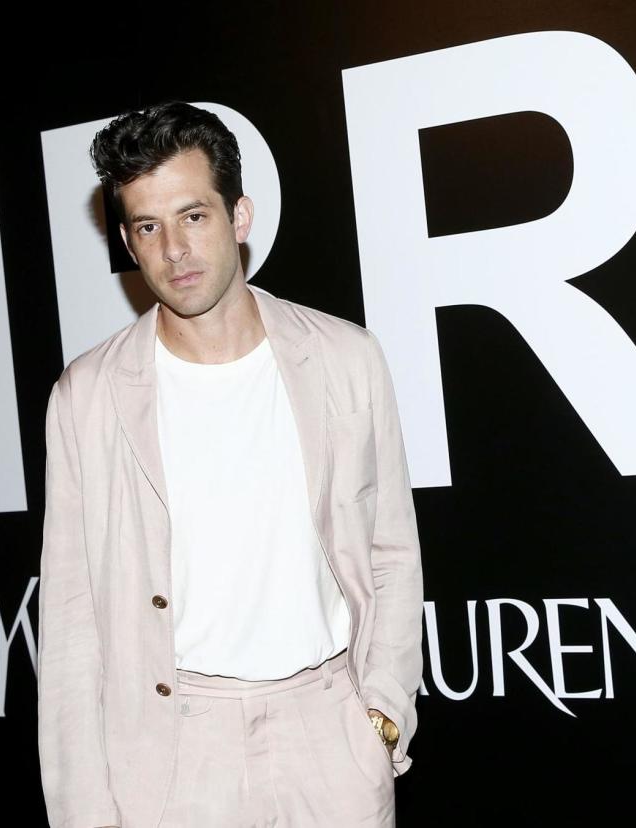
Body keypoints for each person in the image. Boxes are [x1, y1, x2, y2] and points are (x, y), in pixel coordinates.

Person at [37, 100, 424, 827]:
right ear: (126, 240)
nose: (174, 250)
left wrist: (382, 714)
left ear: (239, 217)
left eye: (194, 216)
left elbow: (391, 554)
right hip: (171, 752)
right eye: (148, 227)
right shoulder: (86, 398)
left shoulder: (347, 359)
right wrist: (84, 811)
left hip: (328, 734)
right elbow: (70, 624)